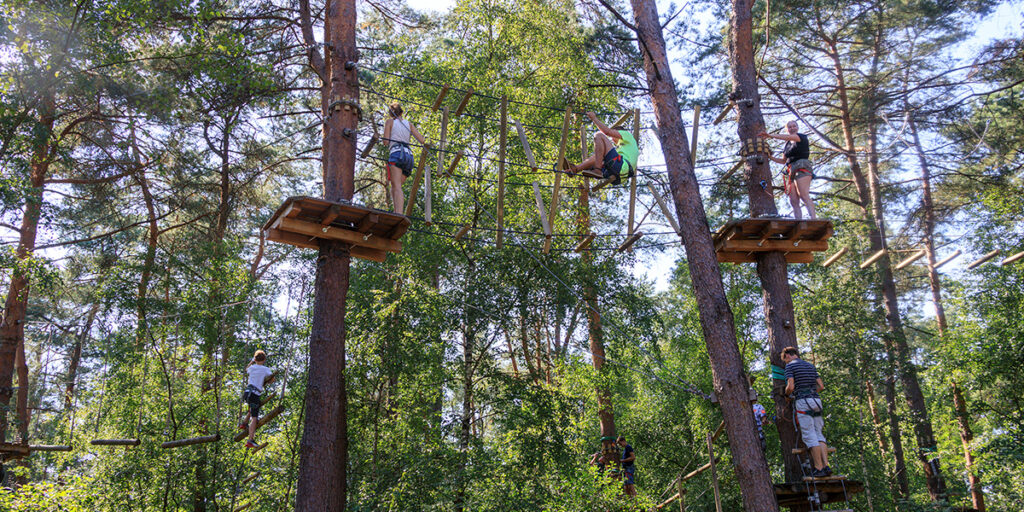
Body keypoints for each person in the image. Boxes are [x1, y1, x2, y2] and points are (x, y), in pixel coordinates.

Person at [782, 346, 830, 477]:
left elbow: (790, 386)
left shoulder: (790, 367)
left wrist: (787, 395)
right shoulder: (810, 366)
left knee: (809, 435)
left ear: (787, 356)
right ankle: (826, 466)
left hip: (803, 402)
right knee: (819, 433)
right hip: (816, 400)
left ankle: (819, 468)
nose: (785, 362)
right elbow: (821, 386)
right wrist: (810, 392)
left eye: (785, 360)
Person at [759, 121, 816, 220]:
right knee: (793, 200)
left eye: (794, 126)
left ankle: (814, 219)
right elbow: (783, 161)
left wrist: (770, 135)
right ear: (787, 129)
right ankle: (798, 221)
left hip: (802, 166)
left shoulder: (801, 137)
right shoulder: (787, 145)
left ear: (797, 128)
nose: (792, 128)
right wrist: (769, 157)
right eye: (790, 127)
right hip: (790, 170)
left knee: (803, 195)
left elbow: (786, 137)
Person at [564, 112, 638, 185]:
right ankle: (575, 169)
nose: (612, 140)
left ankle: (597, 170)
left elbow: (607, 132)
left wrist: (594, 118)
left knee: (599, 135)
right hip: (618, 177)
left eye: (613, 137)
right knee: (598, 157)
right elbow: (599, 158)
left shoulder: (627, 135)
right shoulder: (622, 149)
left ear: (618, 132)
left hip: (621, 167)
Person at [383, 102, 426, 212]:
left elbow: (386, 142)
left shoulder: (390, 122)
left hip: (397, 153)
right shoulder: (409, 124)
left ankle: (398, 214)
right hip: (409, 156)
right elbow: (422, 140)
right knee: (395, 186)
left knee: (396, 186)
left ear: (391, 114)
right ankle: (397, 212)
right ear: (401, 112)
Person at [238, 350, 275, 449]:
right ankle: (250, 440)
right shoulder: (265, 369)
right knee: (254, 417)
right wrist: (268, 379)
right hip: (254, 394)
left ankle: (244, 423)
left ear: (255, 359)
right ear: (264, 360)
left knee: (253, 407)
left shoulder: (252, 368)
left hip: (247, 393)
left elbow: (246, 369)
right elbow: (272, 380)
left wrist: (252, 362)